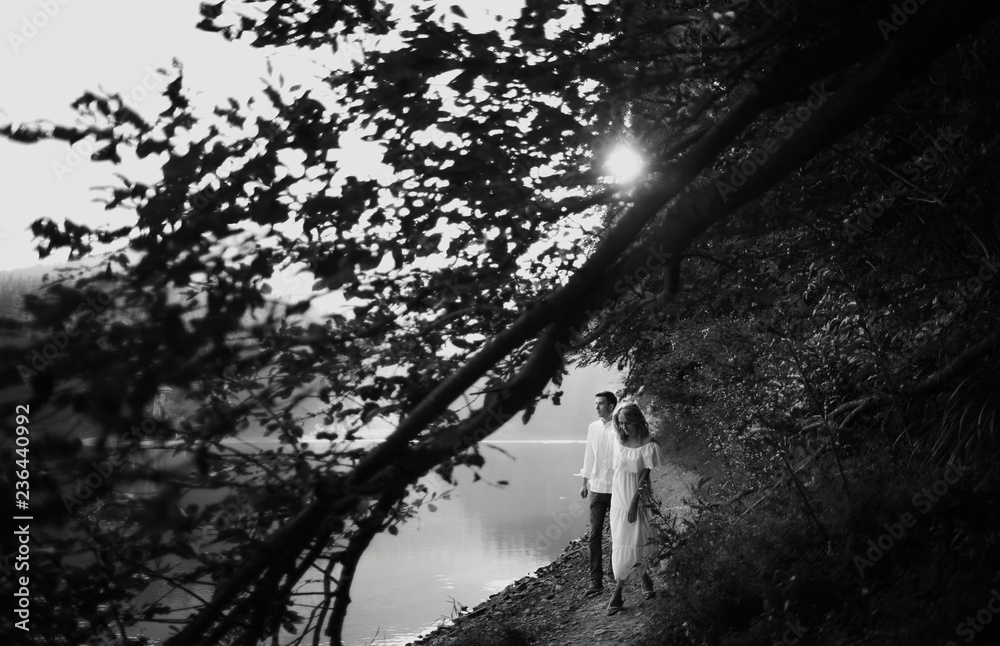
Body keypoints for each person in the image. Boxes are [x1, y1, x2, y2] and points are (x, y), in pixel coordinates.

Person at [606, 402, 662, 615]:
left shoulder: (649, 442)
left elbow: (644, 476)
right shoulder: (619, 439)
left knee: (637, 537)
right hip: (620, 493)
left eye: (627, 423)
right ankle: (640, 578)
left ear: (636, 421)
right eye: (620, 424)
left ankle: (618, 592)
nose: (623, 428)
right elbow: (619, 471)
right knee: (621, 539)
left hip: (638, 493)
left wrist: (634, 502)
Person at [580, 391, 618, 596]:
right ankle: (596, 580)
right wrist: (584, 482)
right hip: (596, 488)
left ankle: (614, 572)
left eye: (600, 404)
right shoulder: (592, 428)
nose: (596, 407)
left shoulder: (620, 427)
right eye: (595, 403)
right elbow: (589, 455)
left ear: (611, 406)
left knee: (616, 533)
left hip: (616, 488)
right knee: (594, 535)